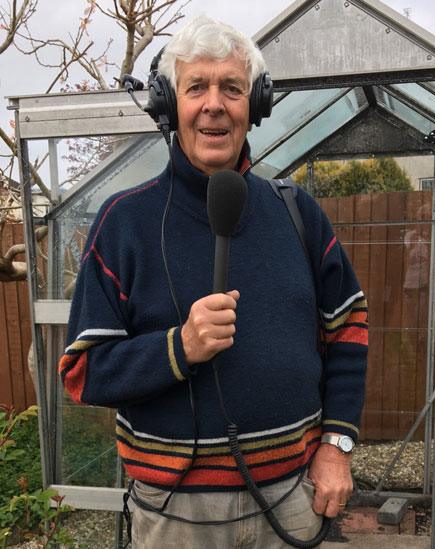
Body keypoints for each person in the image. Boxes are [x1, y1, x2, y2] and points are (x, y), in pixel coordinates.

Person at [57, 15, 367, 547]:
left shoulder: (298, 213)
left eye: (232, 87)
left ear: (257, 103)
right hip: (176, 513)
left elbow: (348, 330)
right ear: (168, 104)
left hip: (294, 499)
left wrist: (336, 445)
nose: (214, 104)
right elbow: (84, 372)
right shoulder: (123, 223)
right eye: (195, 86)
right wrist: (180, 347)